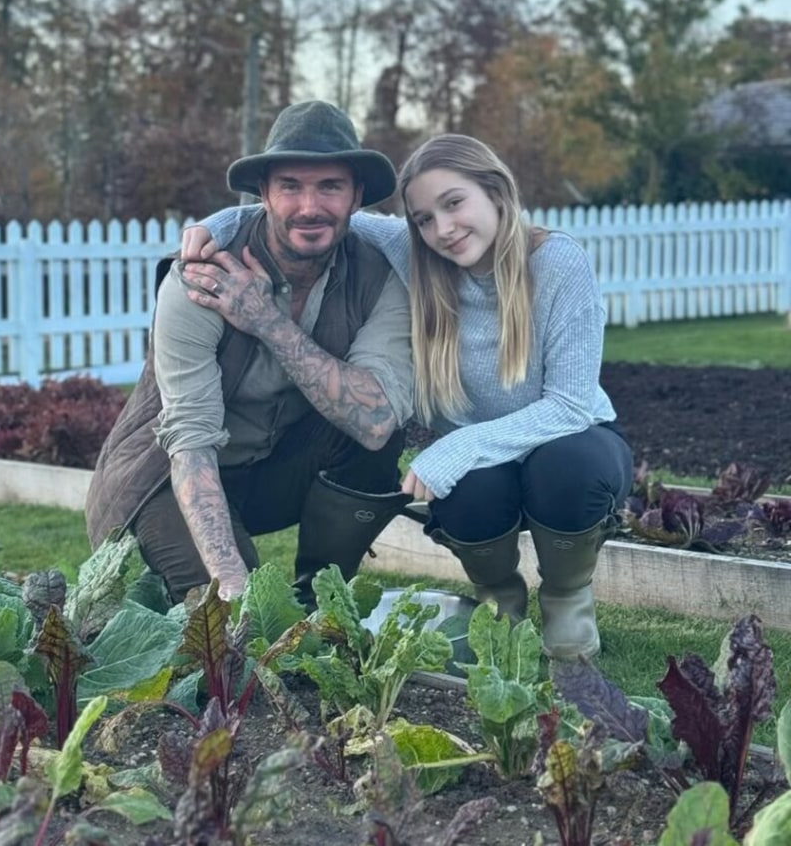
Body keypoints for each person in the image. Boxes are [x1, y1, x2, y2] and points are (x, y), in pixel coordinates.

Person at [185, 133, 633, 659]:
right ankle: (500, 602)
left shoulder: (555, 261)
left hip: (566, 439)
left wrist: (458, 447)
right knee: (469, 492)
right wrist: (211, 227)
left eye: (454, 203)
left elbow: (570, 406)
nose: (443, 229)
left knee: (568, 466)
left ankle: (566, 599)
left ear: (495, 191)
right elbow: (307, 217)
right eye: (423, 218)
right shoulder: (416, 254)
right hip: (482, 463)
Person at [84, 100, 415, 607]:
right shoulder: (201, 276)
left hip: (269, 473)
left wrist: (268, 323)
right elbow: (190, 442)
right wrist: (232, 581)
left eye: (330, 186)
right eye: (290, 186)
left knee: (378, 434)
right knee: (241, 615)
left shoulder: (378, 275)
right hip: (165, 478)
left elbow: (376, 422)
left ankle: (323, 598)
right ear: (263, 194)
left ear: (356, 197)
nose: (310, 206)